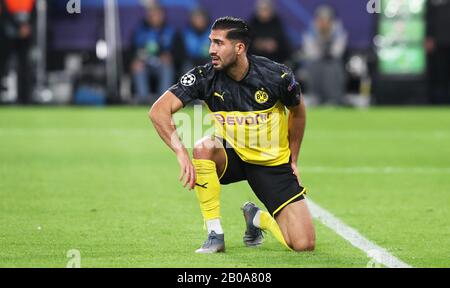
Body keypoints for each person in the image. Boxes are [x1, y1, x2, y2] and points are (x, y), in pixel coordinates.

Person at [149, 17, 315, 253]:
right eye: (211, 42)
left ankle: (257, 218)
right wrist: (180, 152)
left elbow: (298, 112)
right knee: (202, 147)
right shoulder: (204, 77)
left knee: (303, 245)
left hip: (271, 165)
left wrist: (293, 159)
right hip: (233, 155)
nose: (211, 50)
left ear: (239, 48)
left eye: (218, 43)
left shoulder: (275, 76)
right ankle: (215, 234)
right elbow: (158, 111)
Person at [302, 5, 347, 106]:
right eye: (321, 19)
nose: (323, 23)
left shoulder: (338, 30)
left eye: (326, 20)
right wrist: (321, 41)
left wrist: (327, 51)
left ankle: (334, 99)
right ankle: (315, 97)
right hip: (316, 61)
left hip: (332, 62)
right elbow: (310, 52)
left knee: (332, 67)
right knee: (313, 65)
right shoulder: (311, 30)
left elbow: (337, 51)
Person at [131, 4, 176, 104]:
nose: (155, 17)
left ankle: (163, 101)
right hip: (145, 62)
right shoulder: (140, 30)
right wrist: (135, 60)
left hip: (162, 64)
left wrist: (170, 56)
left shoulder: (170, 30)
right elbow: (132, 49)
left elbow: (178, 52)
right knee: (138, 67)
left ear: (162, 15)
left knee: (167, 67)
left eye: (157, 15)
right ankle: (143, 100)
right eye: (152, 15)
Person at [0, 0, 35, 104]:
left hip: (25, 35)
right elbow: (4, 11)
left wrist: (27, 26)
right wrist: (18, 27)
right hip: (6, 33)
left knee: (25, 66)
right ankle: (3, 95)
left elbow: (34, 12)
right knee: (2, 64)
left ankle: (25, 98)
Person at [426, 0, 450, 104]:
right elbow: (428, 19)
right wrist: (429, 37)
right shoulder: (432, 4)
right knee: (439, 76)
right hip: (438, 44)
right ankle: (438, 102)